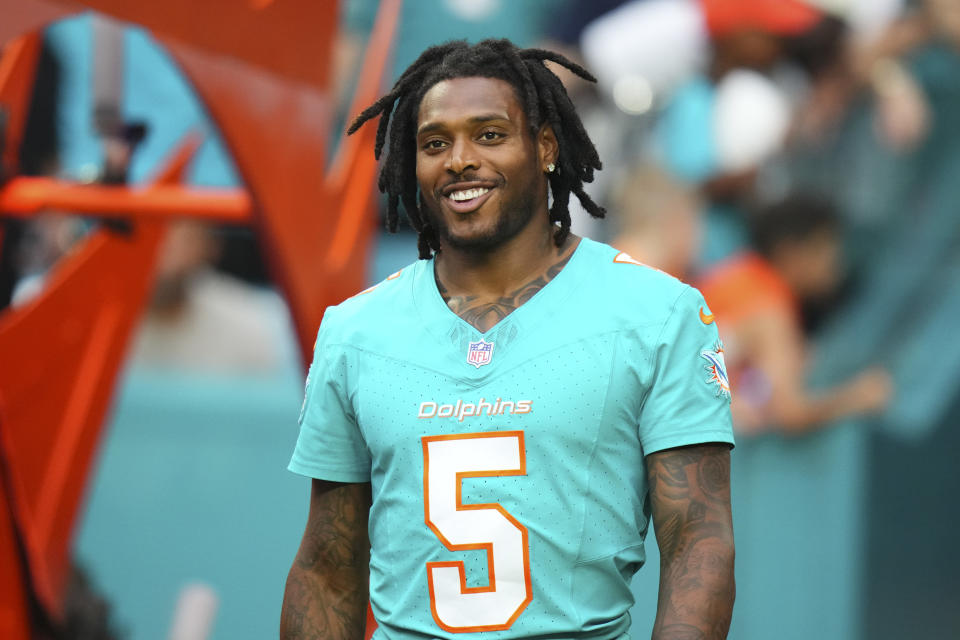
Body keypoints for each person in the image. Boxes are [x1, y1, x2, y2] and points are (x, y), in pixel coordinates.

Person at [281, 39, 735, 640]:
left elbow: (698, 542)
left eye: (489, 134)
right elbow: (327, 567)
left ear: (545, 146)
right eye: (434, 143)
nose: (459, 160)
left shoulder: (657, 313)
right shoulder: (355, 330)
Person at [696, 193, 892, 434]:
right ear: (789, 252)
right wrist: (856, 397)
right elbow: (789, 414)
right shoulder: (769, 309)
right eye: (823, 249)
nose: (834, 263)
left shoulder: (737, 274)